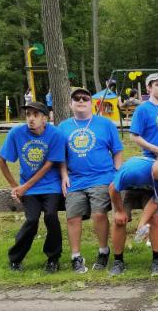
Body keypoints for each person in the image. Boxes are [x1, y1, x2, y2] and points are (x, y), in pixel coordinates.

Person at [58, 87, 124, 273]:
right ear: (70, 104)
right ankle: (76, 256)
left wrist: (117, 173)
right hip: (75, 179)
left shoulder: (105, 124)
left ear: (91, 103)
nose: (81, 101)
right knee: (73, 216)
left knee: (99, 214)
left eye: (85, 98)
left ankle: (103, 251)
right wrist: (64, 175)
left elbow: (117, 151)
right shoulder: (63, 127)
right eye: (76, 98)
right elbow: (60, 155)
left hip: (102, 177)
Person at [0, 101, 65, 272]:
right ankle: (15, 259)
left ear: (45, 118)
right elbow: (1, 161)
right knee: (32, 220)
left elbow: (49, 165)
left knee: (51, 216)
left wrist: (24, 187)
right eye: (28, 115)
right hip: (29, 189)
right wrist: (15, 186)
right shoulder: (16, 133)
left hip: (51, 186)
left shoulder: (56, 134)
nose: (31, 119)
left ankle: (53, 259)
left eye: (36, 115)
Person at [107, 151, 158, 275]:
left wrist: (142, 223)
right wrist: (120, 211)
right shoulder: (134, 170)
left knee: (155, 218)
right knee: (119, 220)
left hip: (150, 191)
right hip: (126, 188)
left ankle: (157, 261)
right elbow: (113, 188)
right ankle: (118, 261)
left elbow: (155, 202)